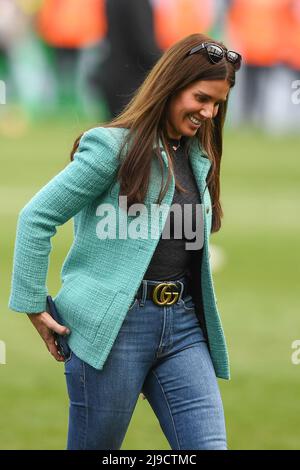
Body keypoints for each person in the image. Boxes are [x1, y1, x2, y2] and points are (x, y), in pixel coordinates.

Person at [8, 33, 242, 450]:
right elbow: (36, 217)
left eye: (218, 104)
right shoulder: (111, 148)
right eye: (202, 98)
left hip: (185, 327)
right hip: (114, 330)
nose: (208, 112)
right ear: (171, 85)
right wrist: (32, 303)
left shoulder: (197, 155)